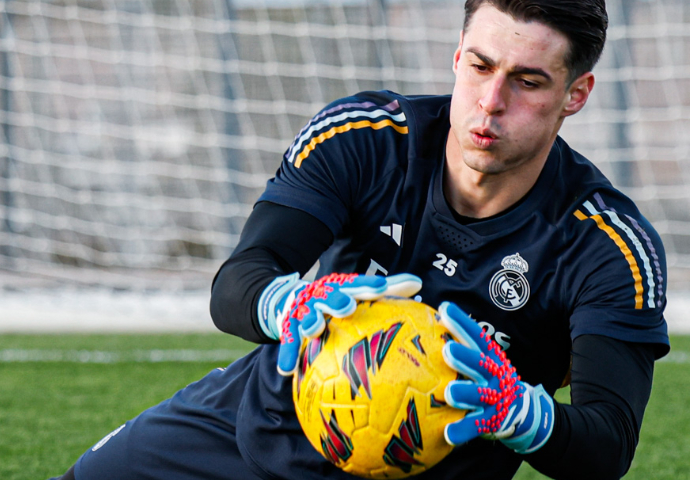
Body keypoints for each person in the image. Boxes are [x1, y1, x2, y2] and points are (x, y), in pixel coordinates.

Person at [50, 0, 670, 478]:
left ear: (575, 95)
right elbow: (238, 282)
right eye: (480, 67)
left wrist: (522, 416)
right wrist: (286, 303)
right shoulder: (365, 139)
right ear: (458, 56)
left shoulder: (608, 246)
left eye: (528, 82)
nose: (490, 102)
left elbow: (607, 444)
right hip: (260, 426)